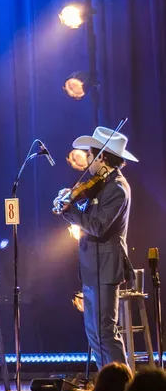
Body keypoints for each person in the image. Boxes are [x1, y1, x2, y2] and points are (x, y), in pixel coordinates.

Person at [55, 126, 136, 368]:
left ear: (101, 156)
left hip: (105, 267)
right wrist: (69, 202)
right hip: (93, 268)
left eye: (90, 155)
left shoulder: (117, 187)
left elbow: (98, 226)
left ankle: (121, 387)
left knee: (105, 333)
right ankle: (107, 385)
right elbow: (88, 217)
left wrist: (70, 213)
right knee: (95, 335)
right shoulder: (101, 185)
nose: (87, 161)